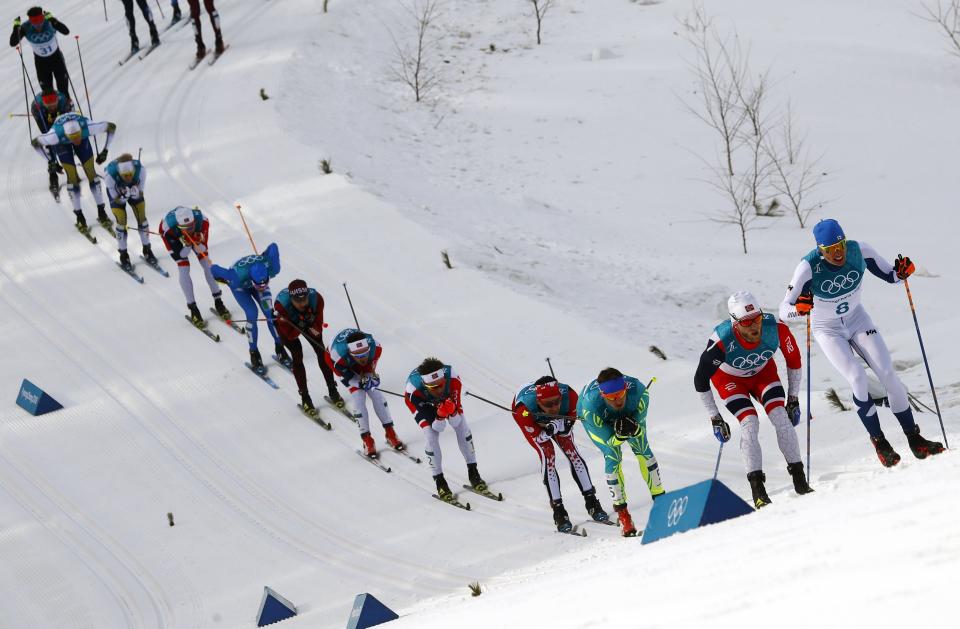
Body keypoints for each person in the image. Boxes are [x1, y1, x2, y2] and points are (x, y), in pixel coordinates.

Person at [779, 218, 944, 467]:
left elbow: (892, 275)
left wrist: (902, 272)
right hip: (828, 330)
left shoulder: (860, 251)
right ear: (820, 250)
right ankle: (880, 442)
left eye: (841, 245)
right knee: (857, 377)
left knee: (889, 375)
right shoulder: (807, 266)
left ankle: (914, 437)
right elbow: (784, 309)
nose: (838, 253)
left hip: (858, 320)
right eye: (830, 250)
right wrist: (799, 310)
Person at [694, 290, 812, 508]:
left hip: (762, 374)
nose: (754, 326)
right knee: (750, 423)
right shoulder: (721, 341)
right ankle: (758, 490)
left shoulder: (775, 329)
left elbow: (794, 360)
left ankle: (800, 480)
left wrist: (793, 398)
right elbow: (700, 381)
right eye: (747, 323)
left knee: (780, 417)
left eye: (757, 318)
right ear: (735, 323)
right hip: (729, 380)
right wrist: (715, 417)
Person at [577, 368, 664, 537]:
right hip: (598, 418)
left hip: (628, 414)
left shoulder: (640, 392)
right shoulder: (590, 406)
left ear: (626, 388)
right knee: (612, 455)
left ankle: (662, 503)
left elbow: (640, 432)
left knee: (643, 449)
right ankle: (623, 516)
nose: (617, 401)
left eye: (620, 394)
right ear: (603, 395)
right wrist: (619, 436)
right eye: (611, 397)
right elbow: (609, 443)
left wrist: (634, 429)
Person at [512, 377, 607, 532]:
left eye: (557, 401)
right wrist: (550, 429)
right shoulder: (522, 410)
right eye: (548, 404)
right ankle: (559, 511)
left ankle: (592, 502)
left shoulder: (571, 397)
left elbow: (567, 429)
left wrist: (559, 426)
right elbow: (539, 438)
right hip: (534, 422)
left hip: (553, 421)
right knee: (548, 455)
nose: (555, 407)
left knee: (572, 452)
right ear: (539, 403)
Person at [404, 358, 487, 501]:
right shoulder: (413, 390)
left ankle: (473, 472)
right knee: (431, 435)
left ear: (444, 379)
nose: (439, 390)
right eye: (433, 388)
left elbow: (456, 423)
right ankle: (440, 481)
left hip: (444, 399)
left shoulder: (452, 377)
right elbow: (438, 428)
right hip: (422, 401)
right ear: (425, 385)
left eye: (441, 385)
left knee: (463, 427)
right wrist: (441, 415)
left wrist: (452, 411)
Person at [31, 111, 115, 229]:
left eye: (77, 136)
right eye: (73, 138)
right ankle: (79, 216)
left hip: (74, 135)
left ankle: (102, 211)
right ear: (68, 135)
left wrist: (105, 150)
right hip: (62, 141)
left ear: (81, 131)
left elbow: (112, 127)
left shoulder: (88, 127)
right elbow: (35, 143)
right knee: (72, 177)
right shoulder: (54, 135)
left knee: (91, 173)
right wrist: (51, 161)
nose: (76, 141)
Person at [327, 328, 404, 457]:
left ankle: (390, 432)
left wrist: (371, 377)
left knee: (375, 392)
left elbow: (368, 367)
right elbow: (351, 379)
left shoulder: (376, 347)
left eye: (365, 354)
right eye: (358, 356)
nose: (362, 358)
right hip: (341, 363)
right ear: (351, 353)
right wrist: (359, 383)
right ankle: (367, 440)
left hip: (355, 358)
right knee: (358, 396)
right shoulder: (337, 355)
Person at [273, 279, 344, 412]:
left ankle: (332, 389)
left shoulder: (317, 299)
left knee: (322, 352)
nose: (302, 304)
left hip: (305, 322)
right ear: (291, 299)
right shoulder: (281, 307)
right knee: (297, 355)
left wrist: (308, 322)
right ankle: (305, 397)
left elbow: (317, 332)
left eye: (304, 300)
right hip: (288, 325)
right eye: (298, 301)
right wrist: (300, 325)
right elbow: (290, 336)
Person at [211, 244, 282, 372]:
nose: (261, 287)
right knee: (252, 313)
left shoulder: (273, 267)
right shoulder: (234, 276)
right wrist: (224, 281)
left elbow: (273, 246)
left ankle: (279, 346)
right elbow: (213, 269)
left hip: (249, 276)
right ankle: (254, 353)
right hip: (240, 287)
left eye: (265, 283)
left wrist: (263, 255)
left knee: (270, 314)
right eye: (258, 285)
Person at [158, 206, 228, 325]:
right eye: (186, 228)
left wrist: (197, 241)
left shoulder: (202, 222)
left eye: (191, 226)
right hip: (172, 235)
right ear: (179, 226)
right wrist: (187, 245)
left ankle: (219, 301)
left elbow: (203, 249)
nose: (189, 229)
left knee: (206, 263)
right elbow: (182, 255)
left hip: (189, 231)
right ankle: (193, 309)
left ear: (195, 222)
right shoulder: (167, 229)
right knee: (184, 267)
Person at [104, 153, 156, 269]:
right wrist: (123, 197)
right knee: (121, 222)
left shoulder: (141, 170)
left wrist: (136, 193)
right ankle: (123, 254)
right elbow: (116, 199)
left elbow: (140, 192)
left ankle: (147, 249)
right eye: (125, 175)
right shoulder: (110, 176)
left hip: (132, 189)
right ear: (119, 173)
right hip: (117, 194)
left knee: (142, 218)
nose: (128, 177)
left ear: (133, 170)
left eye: (130, 175)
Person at [10, 7, 70, 94]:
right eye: (34, 23)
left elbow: (66, 31)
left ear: (43, 18)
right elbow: (13, 42)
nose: (38, 26)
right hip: (41, 63)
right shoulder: (25, 27)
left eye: (40, 22)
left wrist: (53, 20)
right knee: (47, 94)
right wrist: (16, 27)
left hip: (57, 59)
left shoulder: (49, 22)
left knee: (63, 91)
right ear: (30, 21)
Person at [29, 88, 73, 194]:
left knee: (64, 136)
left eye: (54, 105)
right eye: (50, 106)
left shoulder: (63, 101)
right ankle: (52, 172)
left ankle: (71, 170)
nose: (52, 107)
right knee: (49, 138)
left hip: (62, 111)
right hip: (41, 114)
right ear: (44, 104)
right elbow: (47, 134)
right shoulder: (37, 106)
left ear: (57, 100)